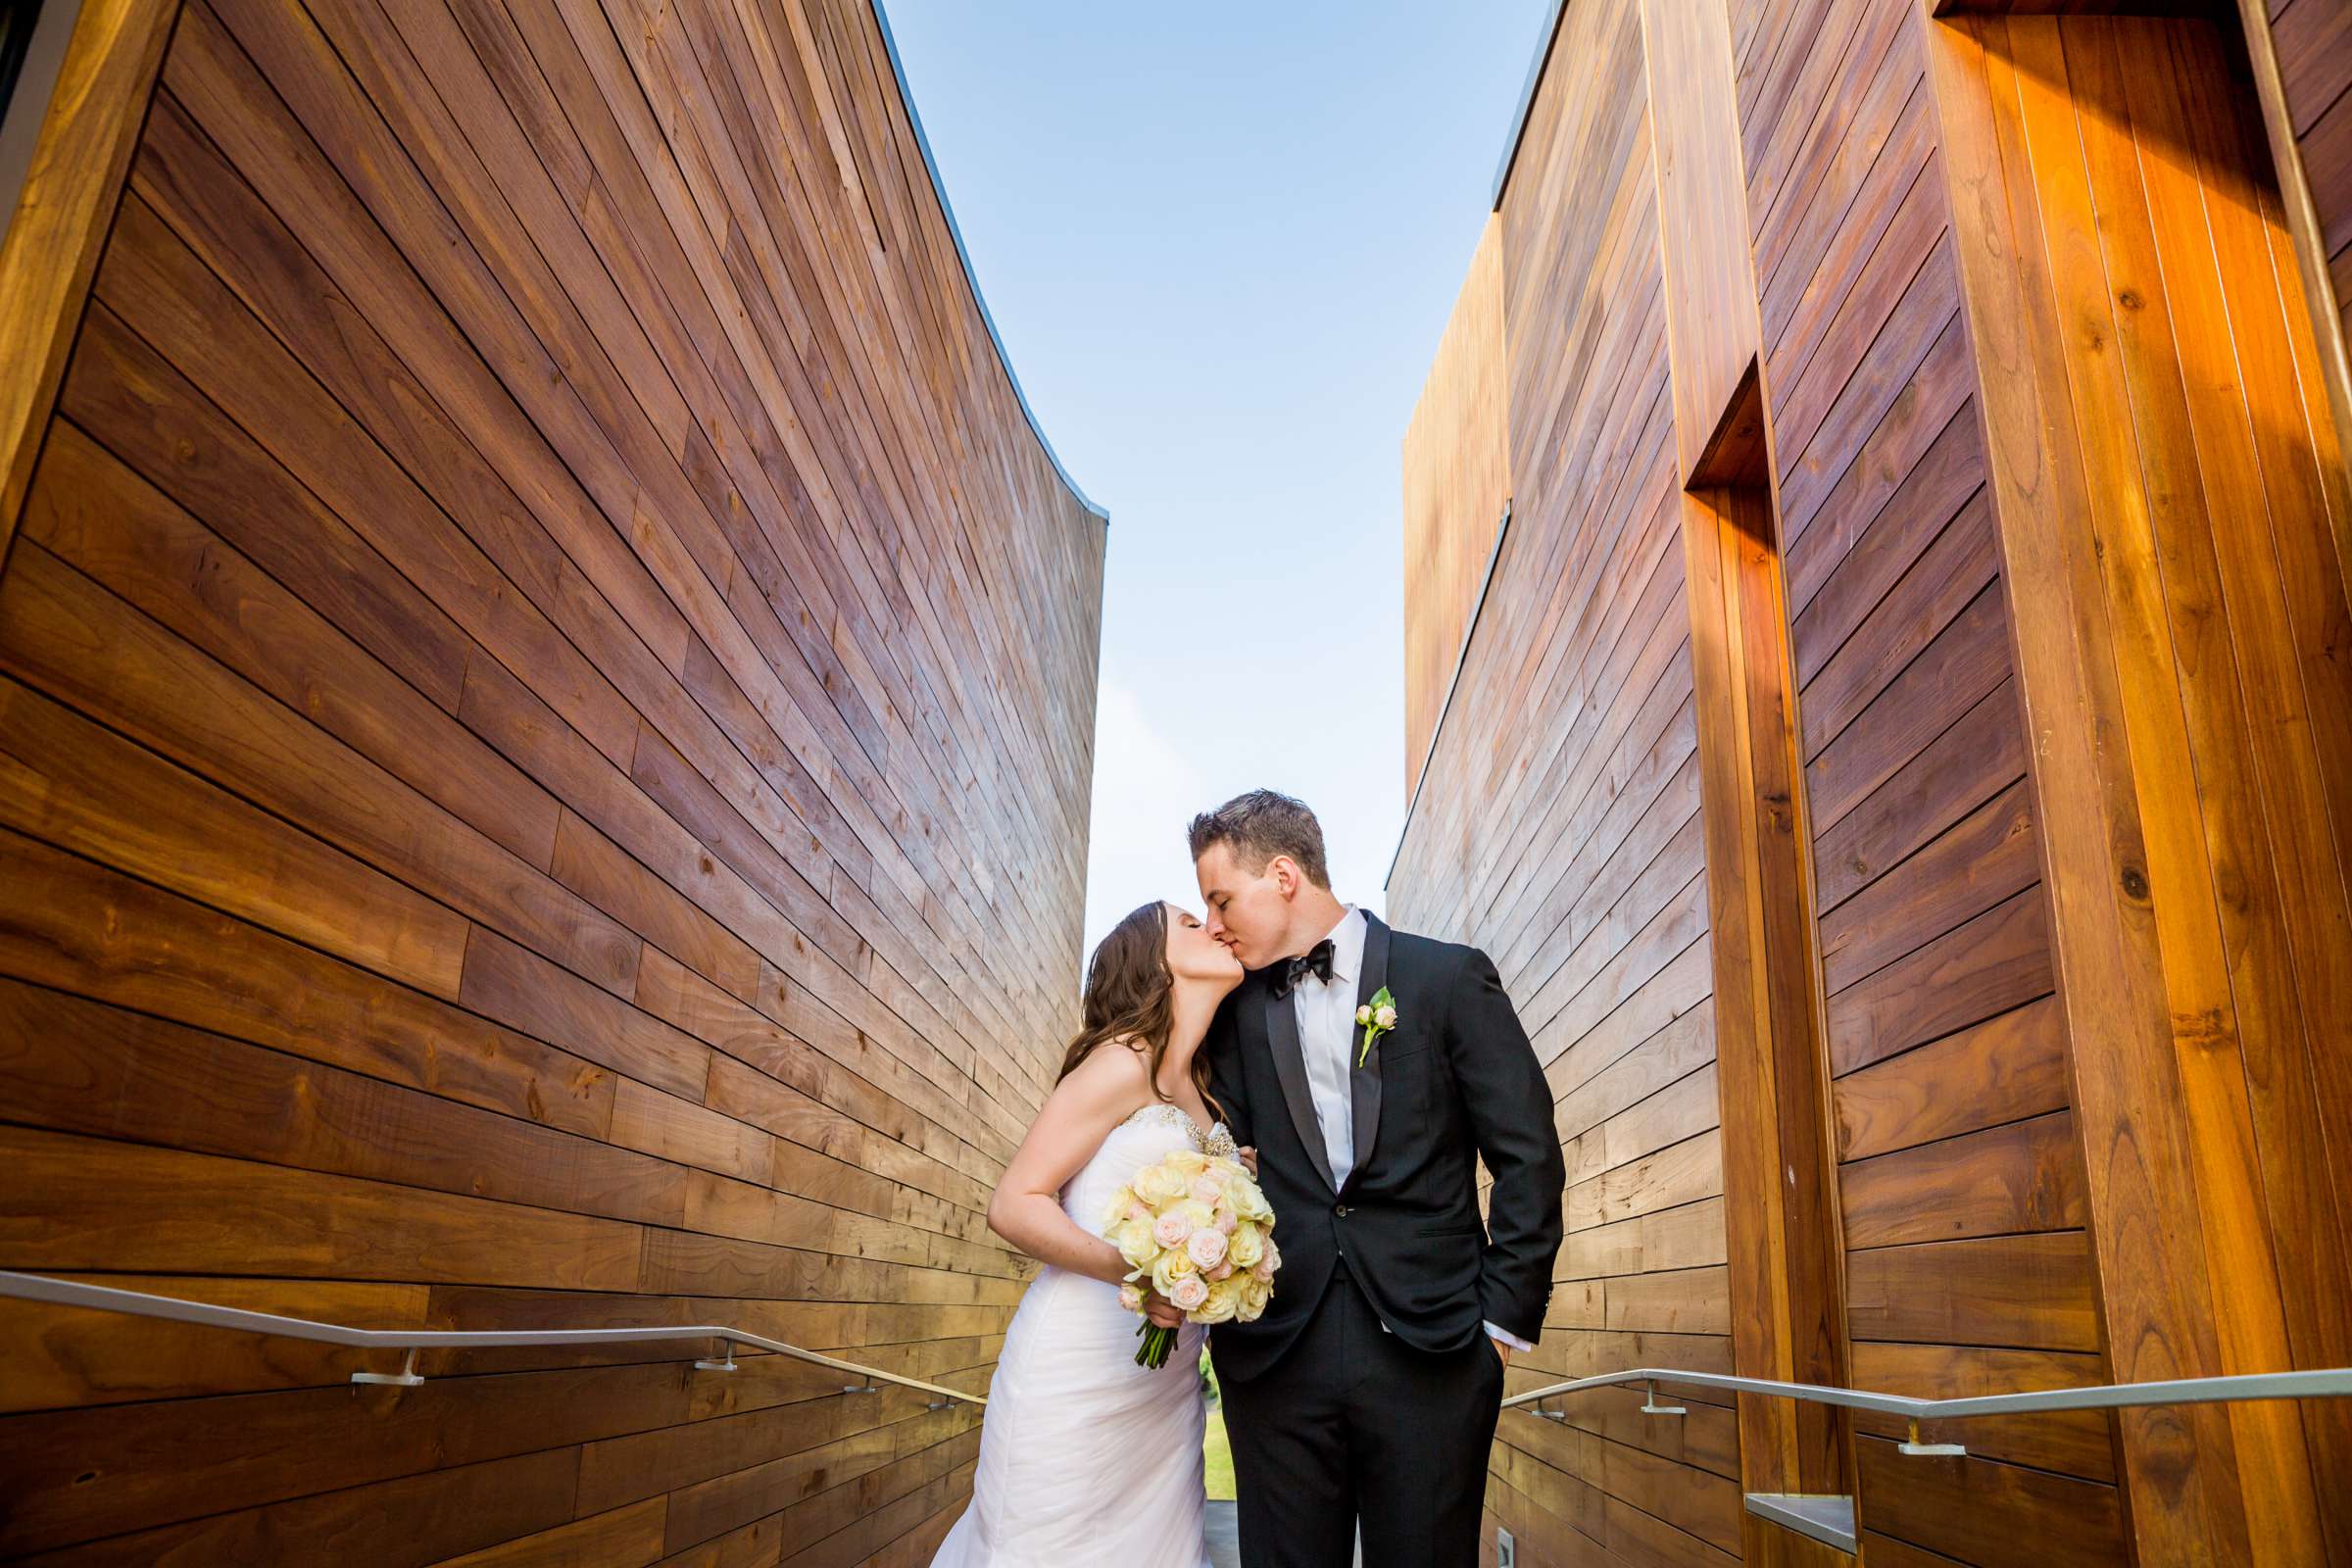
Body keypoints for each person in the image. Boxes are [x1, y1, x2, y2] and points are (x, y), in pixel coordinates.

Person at [1191, 789, 1565, 1568]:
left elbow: (1528, 1154)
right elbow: (1211, 1156)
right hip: (1276, 1358)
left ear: (1284, 875)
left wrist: (1498, 1327)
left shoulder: (1448, 979)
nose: (1215, 922)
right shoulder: (1233, 1013)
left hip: (1434, 1353)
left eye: (1222, 899)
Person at [931, 900, 1255, 1568]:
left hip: (1162, 1394)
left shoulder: (1205, 1091)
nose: (1214, 927)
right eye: (1191, 924)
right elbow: (1015, 1203)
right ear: (1156, 964)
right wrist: (1139, 1273)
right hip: (1076, 1366)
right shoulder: (1119, 1062)